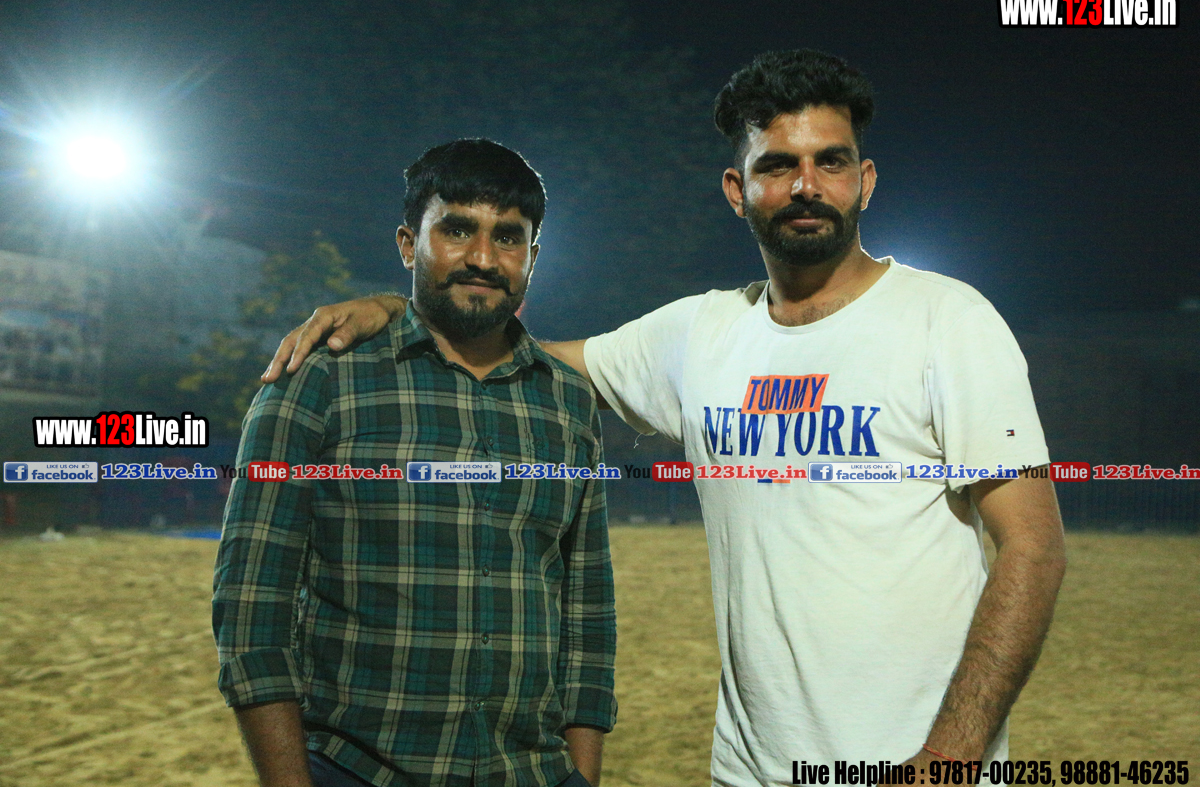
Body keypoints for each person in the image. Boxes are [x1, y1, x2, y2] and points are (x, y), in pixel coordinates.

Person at [262, 50, 1066, 785]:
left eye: (831, 161)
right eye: (777, 165)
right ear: (737, 190)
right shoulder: (699, 333)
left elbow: (1033, 548)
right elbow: (511, 355)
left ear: (865, 180)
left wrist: (949, 759)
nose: (806, 185)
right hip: (747, 771)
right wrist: (395, 308)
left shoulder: (946, 320)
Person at [214, 138, 616, 787]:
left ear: (532, 257)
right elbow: (251, 609)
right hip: (359, 770)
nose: (482, 257)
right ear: (408, 244)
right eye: (456, 230)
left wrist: (582, 776)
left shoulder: (568, 401)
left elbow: (588, 613)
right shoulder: (318, 379)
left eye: (507, 237)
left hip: (536, 772)